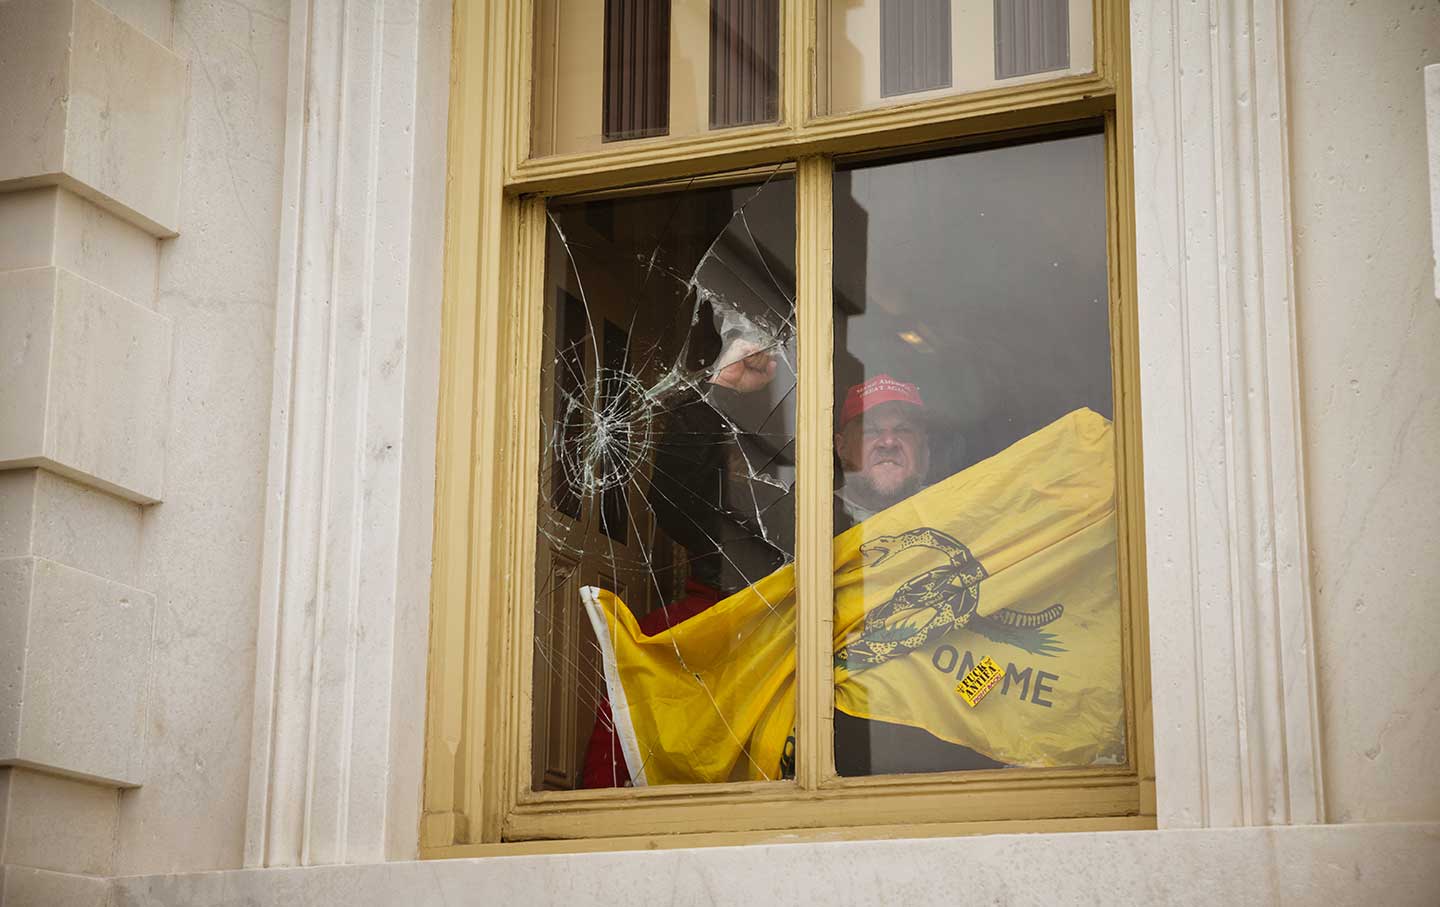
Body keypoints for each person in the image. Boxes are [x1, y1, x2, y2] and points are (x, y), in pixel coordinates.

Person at [581, 358, 996, 787]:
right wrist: (720, 391)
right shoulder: (785, 519)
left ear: (924, 451)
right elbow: (679, 501)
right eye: (872, 429)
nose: (888, 440)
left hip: (915, 772)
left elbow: (994, 644)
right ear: (840, 446)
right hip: (800, 765)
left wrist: (980, 701)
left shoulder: (959, 536)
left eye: (903, 430)